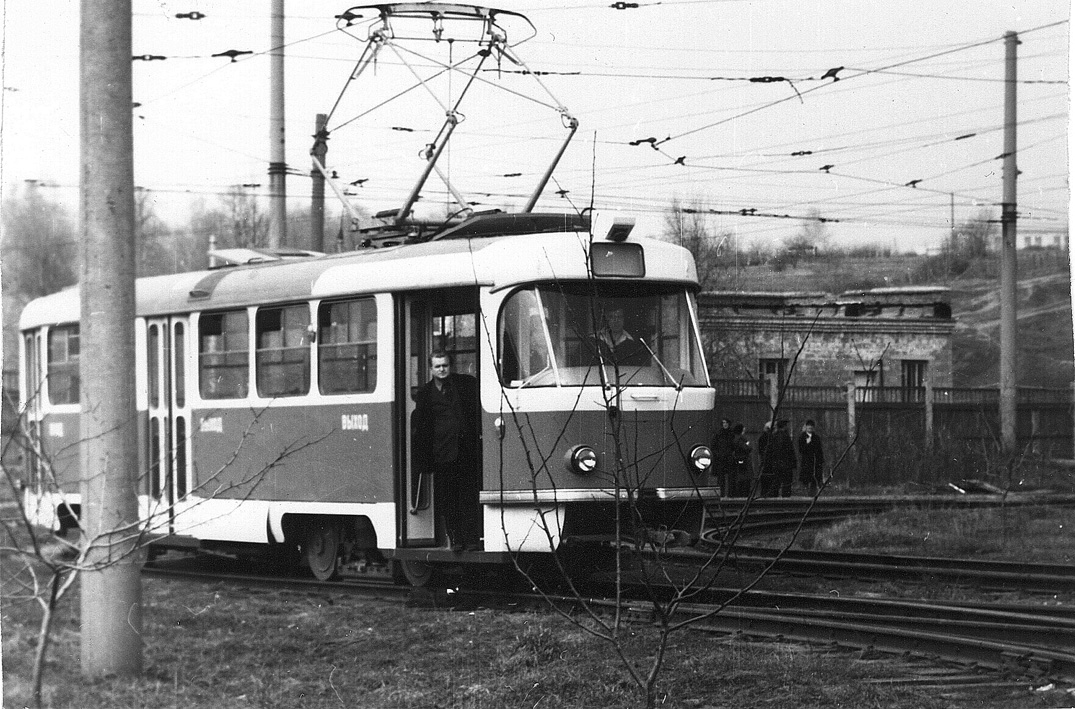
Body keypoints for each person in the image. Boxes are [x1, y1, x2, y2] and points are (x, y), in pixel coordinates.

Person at [411, 350, 480, 550]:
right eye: (438, 366)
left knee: (468, 496)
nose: (442, 369)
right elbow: (421, 427)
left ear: (450, 366)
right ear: (431, 369)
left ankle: (471, 539)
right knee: (448, 499)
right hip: (441, 453)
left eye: (445, 365)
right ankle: (455, 539)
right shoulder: (425, 393)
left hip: (467, 451)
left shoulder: (466, 384)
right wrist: (424, 458)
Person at [770, 419, 798, 498]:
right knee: (786, 483)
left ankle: (774, 498)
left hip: (776, 463)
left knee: (776, 482)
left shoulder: (774, 436)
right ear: (784, 426)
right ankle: (785, 498)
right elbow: (789, 451)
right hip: (786, 464)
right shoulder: (785, 436)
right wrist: (793, 462)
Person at [797, 419, 825, 496]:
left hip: (815, 461)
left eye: (811, 428)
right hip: (806, 461)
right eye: (809, 428)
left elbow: (819, 450)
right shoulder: (802, 437)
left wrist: (821, 460)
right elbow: (801, 450)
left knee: (814, 478)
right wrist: (807, 443)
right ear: (806, 428)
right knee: (806, 478)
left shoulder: (816, 437)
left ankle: (813, 494)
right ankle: (805, 493)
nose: (810, 429)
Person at [711, 417, 737, 496]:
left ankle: (730, 494)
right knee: (721, 478)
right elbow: (713, 446)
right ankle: (721, 494)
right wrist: (718, 454)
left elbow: (734, 445)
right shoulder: (718, 434)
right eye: (723, 423)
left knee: (731, 478)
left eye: (726, 423)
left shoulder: (732, 434)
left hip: (729, 458)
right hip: (720, 458)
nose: (725, 424)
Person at [732, 423, 753, 497]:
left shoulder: (735, 438)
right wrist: (748, 445)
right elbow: (747, 448)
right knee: (744, 479)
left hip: (738, 460)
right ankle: (743, 494)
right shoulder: (741, 440)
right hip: (743, 461)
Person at [756, 420, 774, 497]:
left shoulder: (763, 437)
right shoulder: (768, 438)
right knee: (768, 478)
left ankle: (764, 494)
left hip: (765, 461)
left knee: (765, 479)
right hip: (768, 461)